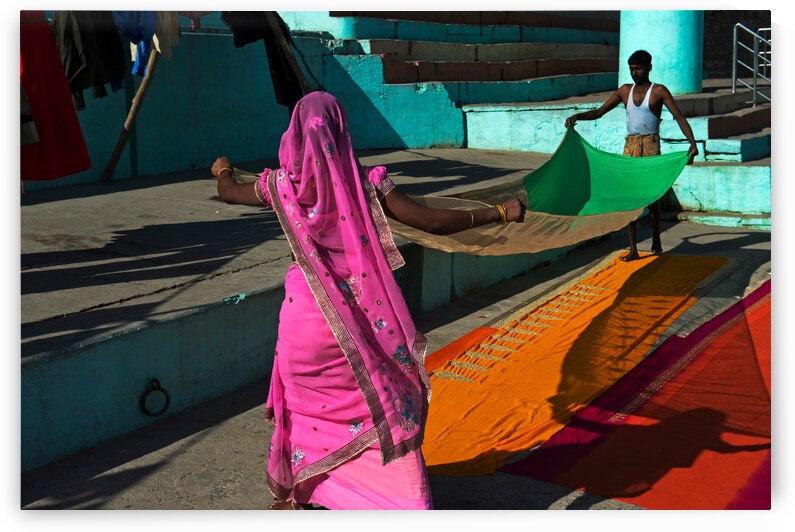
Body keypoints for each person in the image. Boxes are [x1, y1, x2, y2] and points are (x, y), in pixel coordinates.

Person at [210, 91, 525, 510]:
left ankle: (308, 491)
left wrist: (223, 169)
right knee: (382, 404)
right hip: (355, 326)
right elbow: (429, 220)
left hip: (301, 327)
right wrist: (499, 212)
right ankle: (400, 501)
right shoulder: (366, 183)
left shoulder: (280, 186)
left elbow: (229, 191)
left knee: (312, 417)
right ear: (341, 131)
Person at [564, 49, 698, 262]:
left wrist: (692, 144)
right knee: (629, 199)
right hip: (631, 146)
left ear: (649, 68)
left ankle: (656, 236)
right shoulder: (624, 91)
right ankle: (634, 249)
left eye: (638, 68)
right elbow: (599, 112)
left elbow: (679, 117)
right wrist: (577, 116)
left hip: (651, 146)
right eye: (632, 69)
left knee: (653, 197)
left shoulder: (659, 91)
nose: (634, 73)